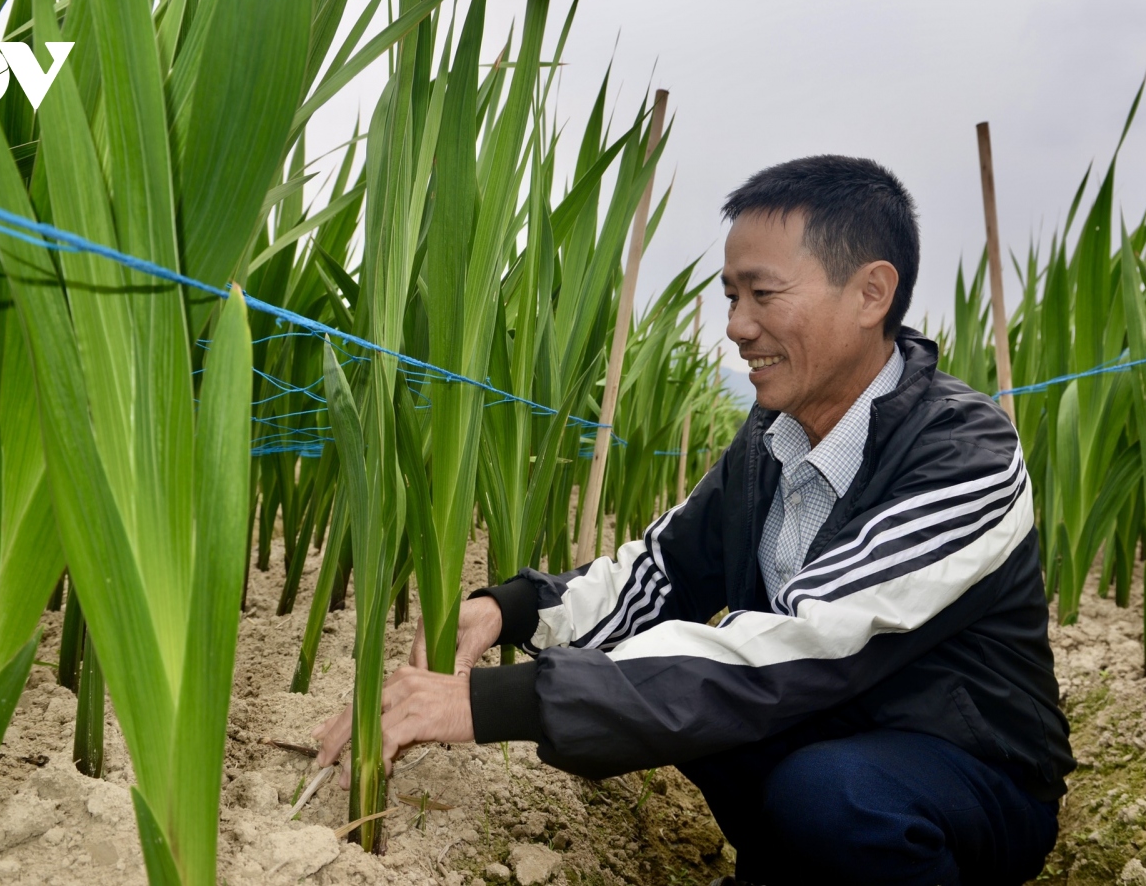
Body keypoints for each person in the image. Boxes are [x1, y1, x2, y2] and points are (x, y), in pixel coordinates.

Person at [315, 155, 1073, 886]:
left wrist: (483, 703)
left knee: (825, 787)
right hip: (834, 725)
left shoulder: (965, 457)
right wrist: (505, 611)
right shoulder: (769, 444)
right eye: (729, 296)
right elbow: (660, 571)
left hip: (970, 775)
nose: (738, 327)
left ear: (872, 292)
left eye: (763, 294)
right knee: (689, 710)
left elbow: (810, 641)